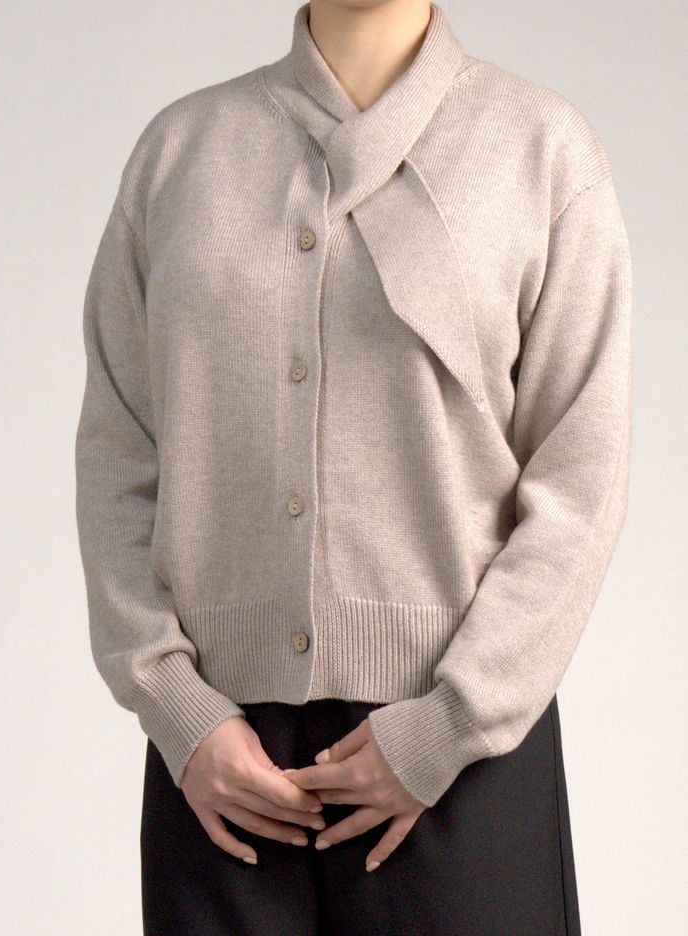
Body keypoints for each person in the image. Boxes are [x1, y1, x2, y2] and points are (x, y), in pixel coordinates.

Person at [74, 1, 632, 933]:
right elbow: (116, 454)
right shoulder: (179, 154)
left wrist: (450, 722)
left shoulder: (542, 151)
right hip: (221, 772)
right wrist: (178, 707)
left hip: (463, 765)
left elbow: (583, 476)